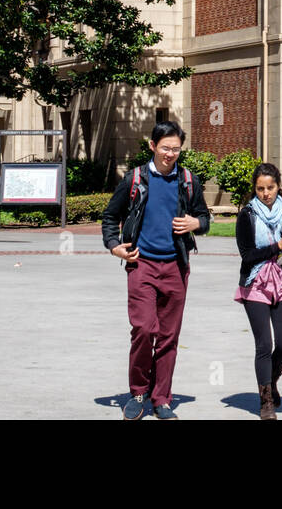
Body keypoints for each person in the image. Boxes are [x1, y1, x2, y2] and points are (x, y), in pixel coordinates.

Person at [101, 121, 211, 420]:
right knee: (144, 329)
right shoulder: (135, 179)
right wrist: (115, 246)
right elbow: (110, 217)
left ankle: (161, 398)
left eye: (176, 149)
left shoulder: (188, 180)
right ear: (152, 146)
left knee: (168, 336)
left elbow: (204, 216)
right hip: (142, 265)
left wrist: (196, 223)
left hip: (176, 266)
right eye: (165, 148)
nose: (170, 154)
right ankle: (138, 391)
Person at [235, 162, 282, 420]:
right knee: (264, 345)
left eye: (270, 187)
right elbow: (247, 256)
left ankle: (273, 377)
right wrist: (278, 245)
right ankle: (265, 400)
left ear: (279, 186)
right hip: (256, 282)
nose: (266, 193)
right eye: (260, 189)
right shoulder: (246, 215)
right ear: (254, 189)